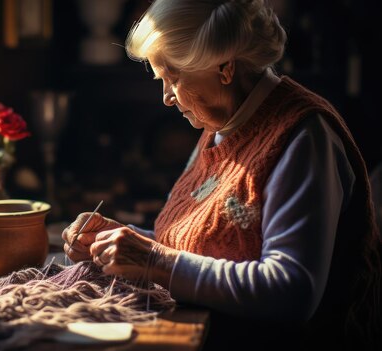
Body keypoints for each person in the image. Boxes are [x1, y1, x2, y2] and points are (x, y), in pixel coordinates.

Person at [62, 0, 381, 349]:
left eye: (174, 77)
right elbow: (199, 243)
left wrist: (152, 259)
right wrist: (120, 239)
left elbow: (291, 291)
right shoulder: (222, 123)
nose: (166, 97)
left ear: (225, 67)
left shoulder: (304, 136)